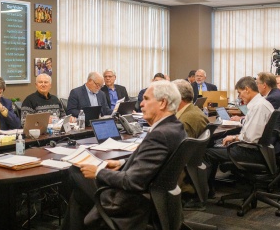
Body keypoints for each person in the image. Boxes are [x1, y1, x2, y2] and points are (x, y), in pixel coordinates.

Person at [61, 80, 186, 230]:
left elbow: (133, 181)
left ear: (162, 103)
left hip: (130, 199)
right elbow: (150, 162)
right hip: (156, 198)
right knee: (78, 196)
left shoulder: (159, 134)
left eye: (146, 99)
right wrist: (121, 163)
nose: (141, 104)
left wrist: (99, 172)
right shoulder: (176, 127)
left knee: (75, 171)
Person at [205, 76, 274, 197]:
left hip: (251, 152)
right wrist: (236, 136)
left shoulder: (258, 107)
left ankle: (205, 192)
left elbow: (251, 138)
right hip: (260, 150)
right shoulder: (262, 103)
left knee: (208, 151)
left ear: (247, 89)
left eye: (239, 92)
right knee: (218, 145)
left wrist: (234, 138)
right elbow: (253, 132)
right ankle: (209, 189)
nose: (239, 96)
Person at [172, 79, 209, 207]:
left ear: (178, 97)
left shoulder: (186, 120)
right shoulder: (194, 110)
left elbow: (174, 152)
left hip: (182, 169)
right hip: (193, 163)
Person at [256, 72, 280, 153]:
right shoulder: (278, 94)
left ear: (264, 85)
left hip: (272, 138)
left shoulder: (272, 98)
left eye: (257, 83)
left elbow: (260, 121)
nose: (256, 86)